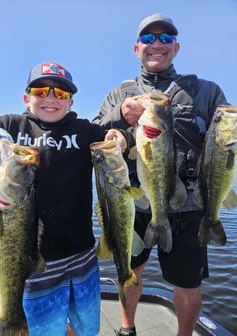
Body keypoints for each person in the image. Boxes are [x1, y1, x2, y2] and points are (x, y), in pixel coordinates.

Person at [92, 13, 229, 336]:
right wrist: (119, 116)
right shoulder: (120, 93)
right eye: (149, 39)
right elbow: (94, 136)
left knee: (188, 282)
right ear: (136, 48)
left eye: (165, 39)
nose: (157, 45)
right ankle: (127, 328)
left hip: (189, 205)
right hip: (134, 200)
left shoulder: (206, 92)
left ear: (176, 47)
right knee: (130, 269)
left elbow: (226, 139)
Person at [0, 61, 134, 336]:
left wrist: (122, 138)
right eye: (41, 91)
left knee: (85, 326)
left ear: (71, 101)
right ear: (26, 98)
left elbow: (116, 141)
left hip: (83, 254)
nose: (51, 98)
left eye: (61, 94)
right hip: (32, 261)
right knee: (44, 328)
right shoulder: (11, 124)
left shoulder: (84, 130)